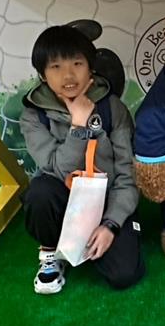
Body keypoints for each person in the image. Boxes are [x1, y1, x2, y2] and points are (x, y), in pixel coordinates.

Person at [20, 25, 144, 294]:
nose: (68, 75)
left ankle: (90, 240)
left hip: (105, 200)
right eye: (55, 67)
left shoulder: (113, 108)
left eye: (77, 63)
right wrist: (78, 125)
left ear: (90, 67)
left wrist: (110, 225)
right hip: (63, 197)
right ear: (42, 74)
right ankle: (51, 252)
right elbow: (57, 169)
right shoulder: (33, 115)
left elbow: (128, 175)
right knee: (39, 193)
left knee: (125, 274)